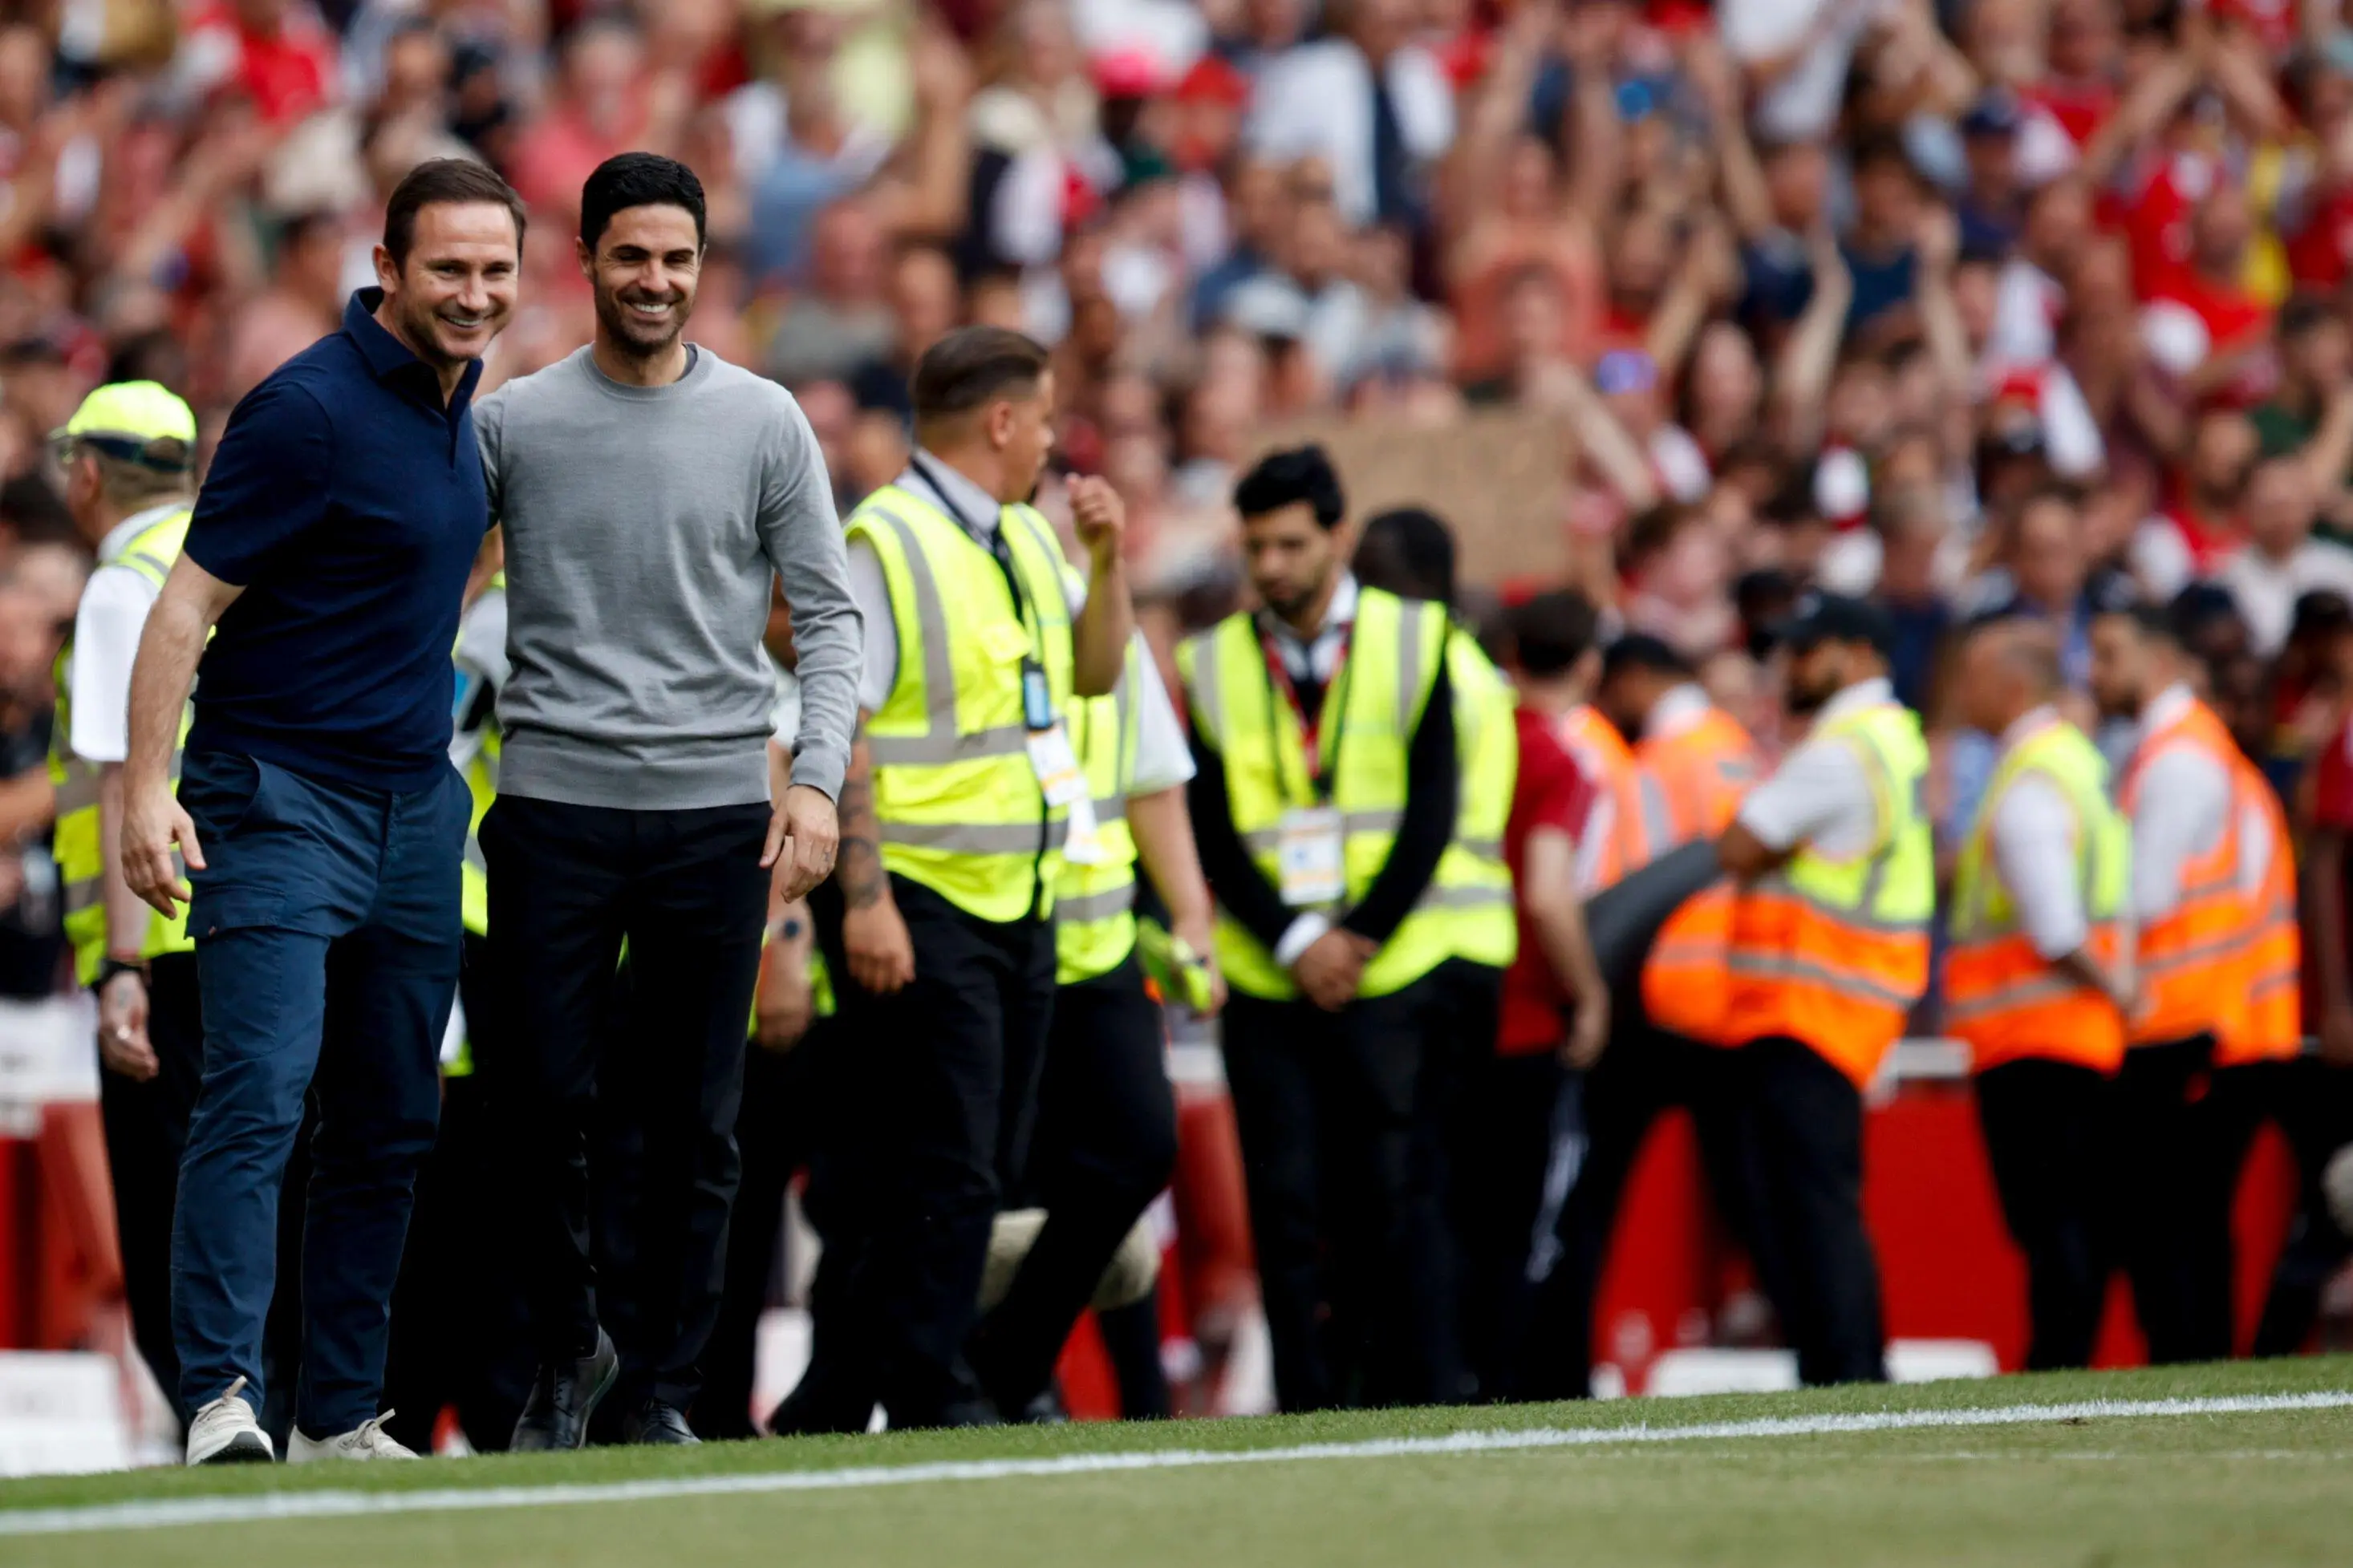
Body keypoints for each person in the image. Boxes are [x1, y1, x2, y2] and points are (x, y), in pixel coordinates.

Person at [118, 158, 524, 1465]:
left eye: (496, 271)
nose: (473, 294)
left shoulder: (464, 406)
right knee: (259, 1095)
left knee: (395, 1115)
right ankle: (223, 1396)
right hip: (277, 795)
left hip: (416, 806)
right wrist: (142, 789)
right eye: (448, 269)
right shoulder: (304, 409)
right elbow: (182, 608)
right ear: (388, 272)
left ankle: (341, 1412)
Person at [474, 153, 862, 1451]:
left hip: (713, 816)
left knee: (697, 1124)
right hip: (551, 807)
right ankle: (563, 1354)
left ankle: (658, 1391)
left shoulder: (763, 422)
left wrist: (812, 785)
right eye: (632, 256)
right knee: (538, 1108)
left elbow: (829, 613)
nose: (656, 280)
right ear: (584, 260)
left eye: (677, 259)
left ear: (704, 268)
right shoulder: (512, 422)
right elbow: (424, 582)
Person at [807, 323, 1134, 1430]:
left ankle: (836, 1389)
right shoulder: (885, 538)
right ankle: (930, 1381)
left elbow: (1092, 676)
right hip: (924, 897)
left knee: (979, 1160)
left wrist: (1110, 561)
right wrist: (865, 899)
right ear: (1001, 421)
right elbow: (837, 725)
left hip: (1022, 898)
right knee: (945, 1162)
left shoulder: (1033, 538)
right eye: (1043, 417)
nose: (1051, 439)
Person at [1178, 444, 1463, 1410]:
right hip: (1272, 977)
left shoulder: (1417, 639)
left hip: (1383, 972)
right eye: (1254, 545)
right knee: (1285, 1202)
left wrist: (1355, 937)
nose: (1269, 566)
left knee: (1383, 1199)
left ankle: (1387, 1398)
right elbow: (1208, 824)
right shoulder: (1211, 658)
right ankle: (1304, 1406)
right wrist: (1298, 939)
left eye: (1291, 543)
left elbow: (1434, 810)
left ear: (1339, 537)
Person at [968, 584, 1215, 1421]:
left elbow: (1153, 779)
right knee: (1011, 1187)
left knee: (1128, 1160)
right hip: (994, 954)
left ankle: (1025, 1372)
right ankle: (1010, 1381)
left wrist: (1188, 917)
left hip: (1099, 950)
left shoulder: (1089, 599)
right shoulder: (967, 609)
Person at [1523, 633, 1764, 1402]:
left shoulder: (1652, 765)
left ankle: (1558, 1374)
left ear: (1630, 678)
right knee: (1761, 1207)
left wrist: (1589, 988)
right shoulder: (1732, 749)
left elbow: (1623, 885)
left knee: (1585, 1202)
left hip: (1648, 1003)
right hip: (1728, 1002)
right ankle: (1834, 1361)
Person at [1714, 594, 1935, 1386]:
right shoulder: (1886, 739)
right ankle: (1843, 1368)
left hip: (1806, 1007)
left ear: (1856, 652)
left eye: (1805, 650)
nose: (1788, 667)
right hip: (1837, 1006)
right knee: (1813, 1206)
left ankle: (1844, 1373)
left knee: (1810, 1209)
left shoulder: (1841, 749)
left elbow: (1739, 844)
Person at [47, 382, 203, 1426]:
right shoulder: (225, 554)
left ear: (89, 473)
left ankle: (217, 1417)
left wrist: (123, 968)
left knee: (166, 1218)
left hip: (163, 940)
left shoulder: (123, 583)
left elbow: (120, 782)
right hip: (262, 920)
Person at [1944, 616, 2132, 1371]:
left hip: (2033, 1041)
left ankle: (2055, 1368)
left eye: (1976, 675)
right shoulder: (2070, 766)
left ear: (2014, 686)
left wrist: (2118, 990)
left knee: (2050, 1224)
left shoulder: (2029, 779)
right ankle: (2062, 1361)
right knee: (2069, 1223)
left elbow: (2054, 927)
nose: (1962, 690)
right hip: (2070, 1038)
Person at [2087, 603, 2254, 1363]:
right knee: (2183, 1216)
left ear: (2156, 661)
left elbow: (2143, 894)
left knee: (2167, 1220)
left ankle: (2187, 1365)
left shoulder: (2177, 757)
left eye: (2109, 655)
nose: (2095, 673)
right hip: (2193, 1012)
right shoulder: (2183, 748)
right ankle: (2193, 1362)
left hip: (2174, 1017)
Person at [1466, 590, 1607, 1401]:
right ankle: (1502, 1388)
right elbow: (1549, 893)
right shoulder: (1556, 758)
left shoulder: (1473, 740)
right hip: (1521, 1021)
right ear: (1586, 663)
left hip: (1443, 1007)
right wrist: (1587, 993)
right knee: (1519, 1226)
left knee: (1445, 1213)